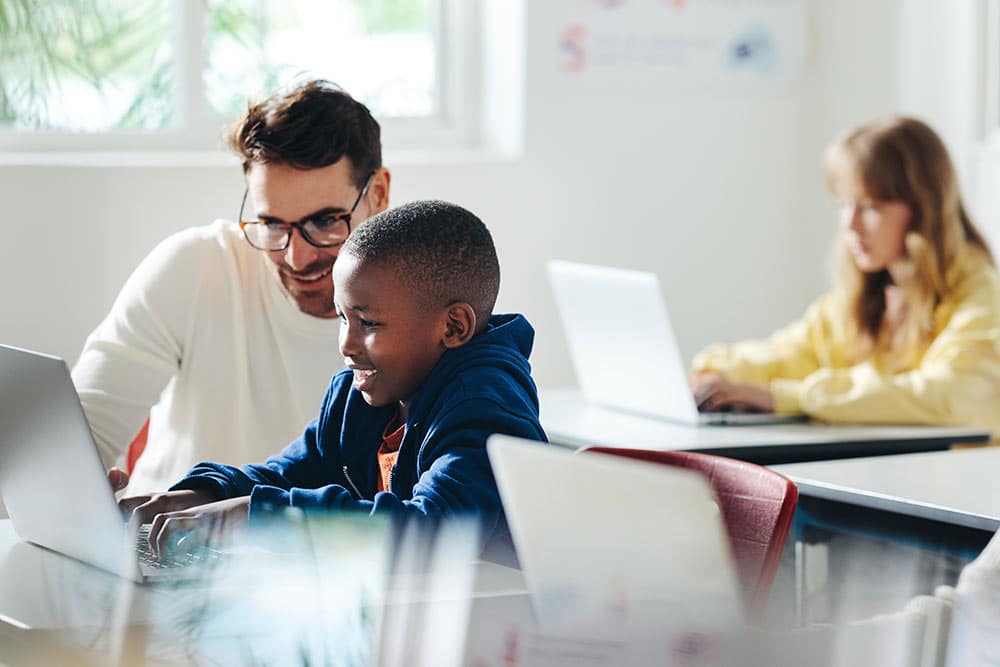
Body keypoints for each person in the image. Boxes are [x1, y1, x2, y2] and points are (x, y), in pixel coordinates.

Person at [119, 200, 547, 560]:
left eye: (369, 323)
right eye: (343, 318)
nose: (347, 344)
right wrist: (208, 493)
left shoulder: (485, 408)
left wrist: (262, 517)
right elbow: (287, 474)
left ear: (453, 328)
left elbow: (432, 530)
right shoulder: (358, 396)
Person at [72, 80, 391, 495]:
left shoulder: (427, 310)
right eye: (273, 224)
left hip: (325, 554)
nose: (295, 257)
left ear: (379, 193)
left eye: (325, 221)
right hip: (161, 543)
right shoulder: (196, 268)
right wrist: (79, 490)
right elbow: (82, 431)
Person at [691, 116, 1000, 434]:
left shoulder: (981, 294)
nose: (849, 226)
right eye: (843, 205)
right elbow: (794, 352)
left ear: (924, 208)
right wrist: (715, 372)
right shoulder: (870, 290)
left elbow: (945, 394)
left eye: (870, 207)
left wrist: (787, 397)